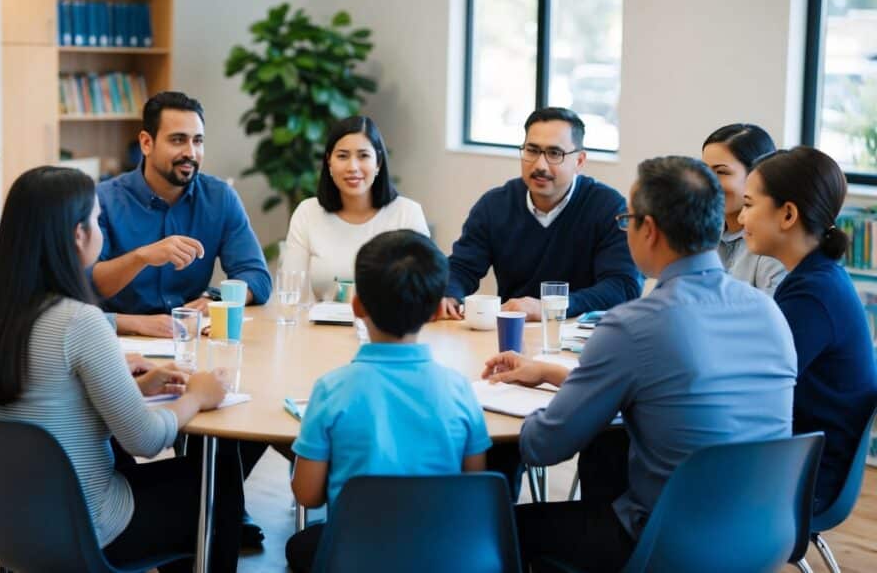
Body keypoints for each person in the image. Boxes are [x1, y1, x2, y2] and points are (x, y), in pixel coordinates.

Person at [482, 156, 797, 571]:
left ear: (648, 229)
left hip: (668, 545)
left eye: (626, 219)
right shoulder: (767, 311)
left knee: (496, 527)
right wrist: (562, 377)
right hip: (765, 534)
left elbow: (544, 446)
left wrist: (516, 408)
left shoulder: (635, 325)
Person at [0, 166, 242, 572]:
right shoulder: (78, 321)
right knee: (218, 478)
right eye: (96, 220)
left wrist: (135, 388)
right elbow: (144, 439)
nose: (100, 230)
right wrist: (198, 394)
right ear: (77, 235)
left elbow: (48, 395)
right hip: (78, 529)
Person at [285, 229, 492, 572]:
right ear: (434, 311)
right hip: (444, 555)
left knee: (300, 546)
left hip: (356, 555)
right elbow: (474, 481)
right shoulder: (459, 389)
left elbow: (307, 495)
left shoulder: (331, 390)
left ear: (356, 306)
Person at [740, 146, 877, 511]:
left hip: (804, 479)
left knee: (628, 449)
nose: (740, 218)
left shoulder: (813, 295)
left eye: (750, 205)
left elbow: (751, 387)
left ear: (787, 214)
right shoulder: (815, 277)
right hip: (800, 459)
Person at [92, 91, 272, 337]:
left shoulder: (219, 198)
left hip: (192, 338)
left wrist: (216, 299)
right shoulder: (102, 200)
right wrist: (141, 257)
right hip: (120, 341)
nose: (190, 152)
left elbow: (257, 278)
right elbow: (87, 285)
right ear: (146, 143)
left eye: (197, 141)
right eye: (178, 140)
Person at [436, 107, 641, 322]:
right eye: (532, 151)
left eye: (554, 154)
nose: (540, 165)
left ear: (579, 161)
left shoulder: (608, 208)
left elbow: (623, 287)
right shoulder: (494, 205)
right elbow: (462, 267)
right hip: (512, 335)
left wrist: (550, 307)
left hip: (583, 337)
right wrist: (449, 294)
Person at [284, 115, 429, 300]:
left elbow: (423, 288)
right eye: (342, 156)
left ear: (378, 163)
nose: (352, 167)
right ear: (329, 162)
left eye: (363, 156)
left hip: (387, 327)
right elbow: (291, 291)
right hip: (320, 326)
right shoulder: (307, 212)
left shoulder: (408, 213)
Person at [701, 123, 786, 294]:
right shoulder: (704, 234)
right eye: (704, 171)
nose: (707, 182)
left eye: (721, 172)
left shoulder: (774, 246)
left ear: (757, 176)